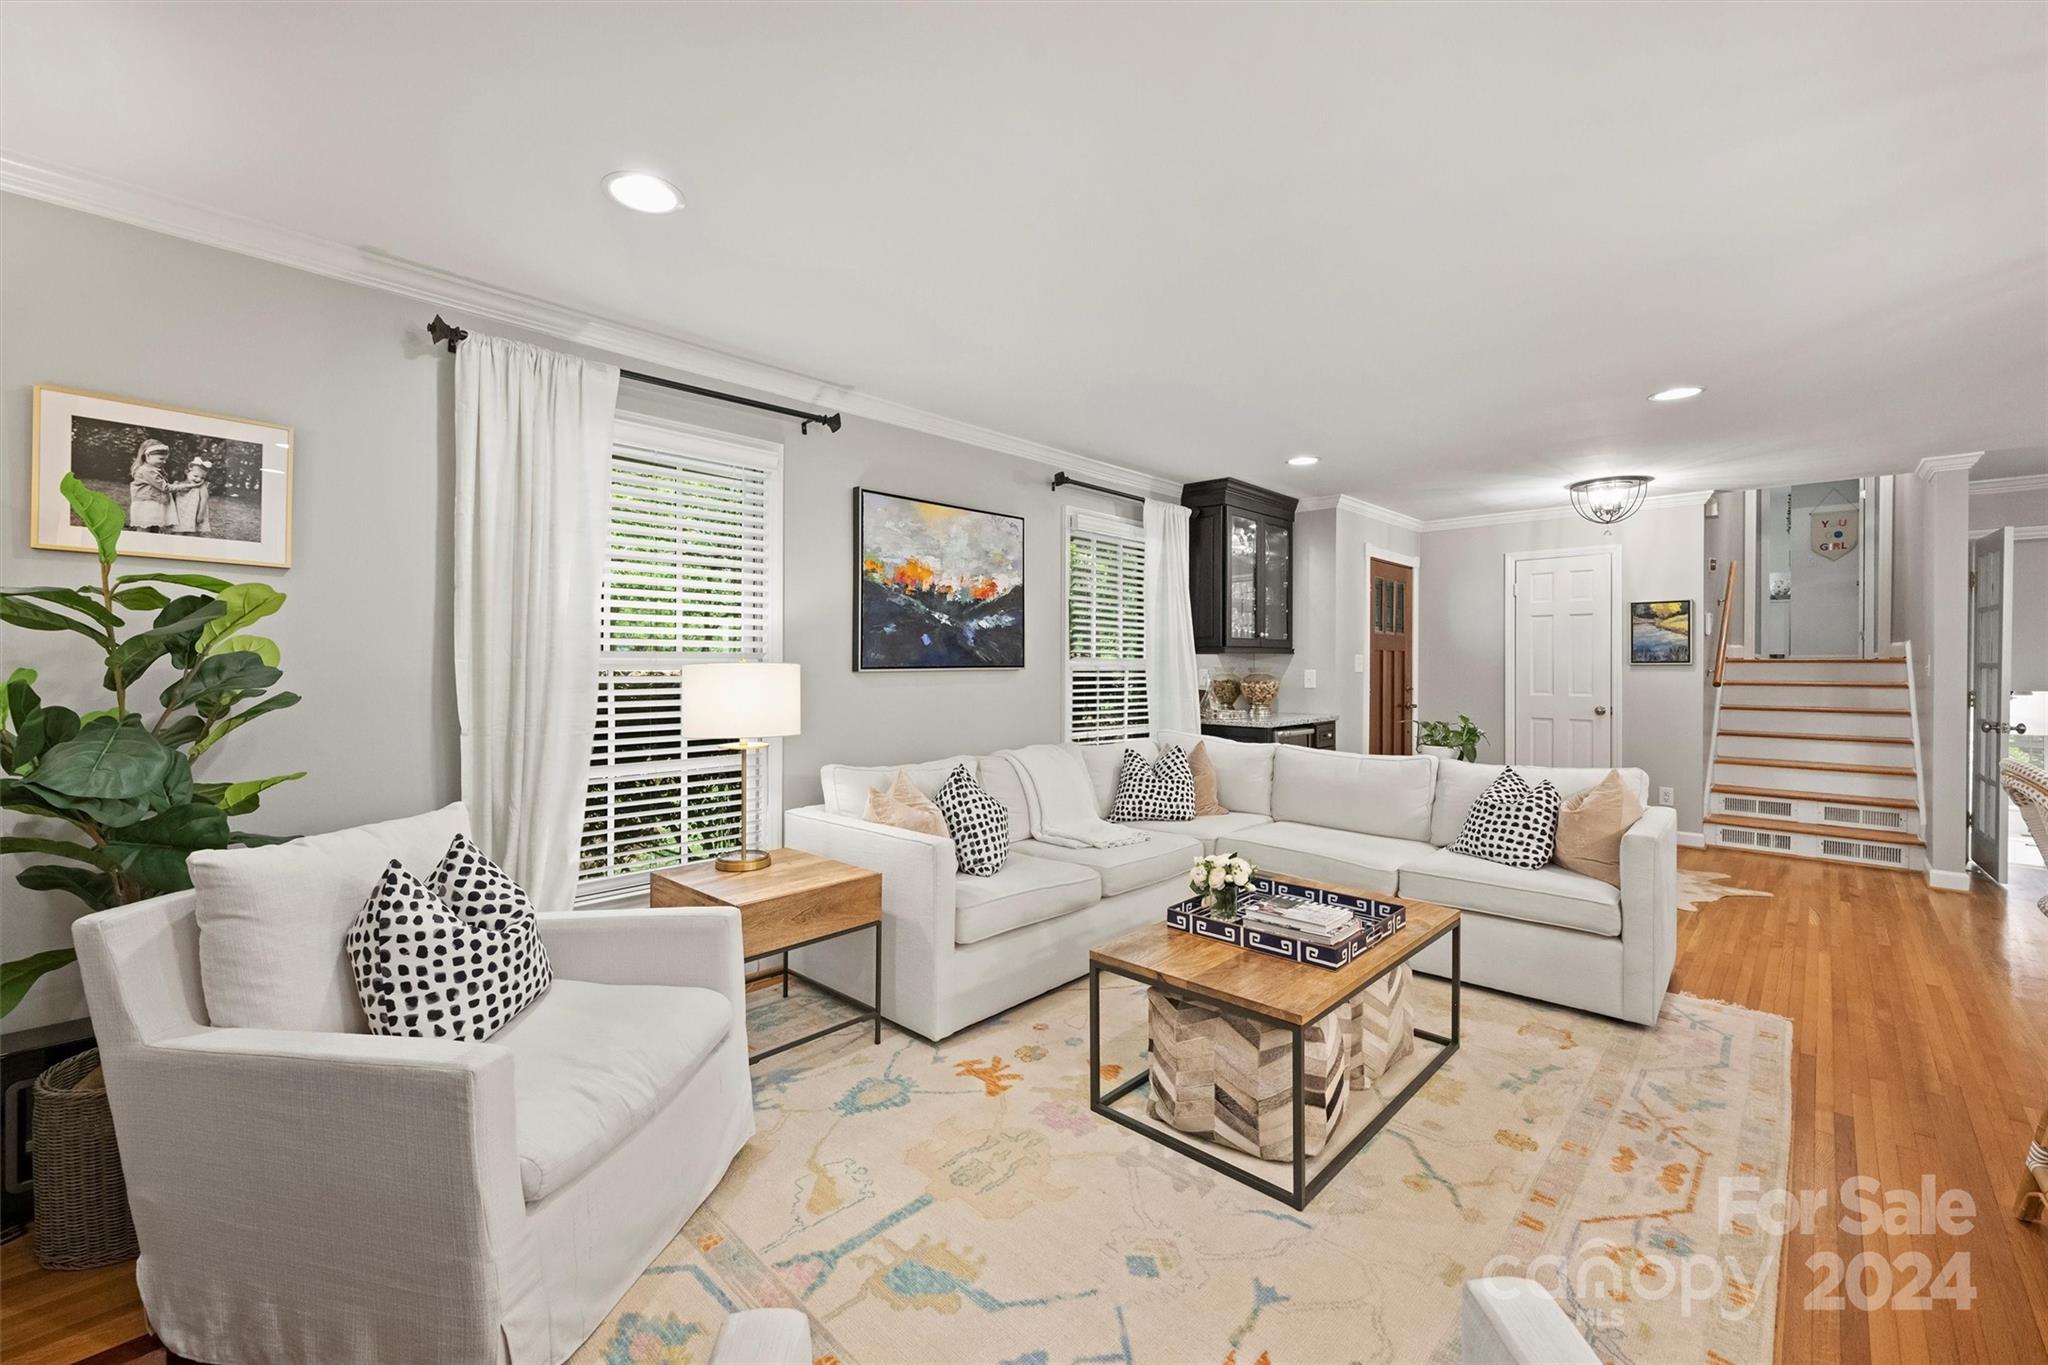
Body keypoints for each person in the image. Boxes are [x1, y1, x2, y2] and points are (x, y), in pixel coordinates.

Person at [127, 440, 173, 532]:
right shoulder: (147, 471)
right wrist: (185, 486)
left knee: (154, 528)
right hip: (146, 505)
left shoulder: (154, 470)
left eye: (165, 459)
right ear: (147, 456)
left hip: (153, 504)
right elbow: (164, 487)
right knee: (144, 530)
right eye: (161, 458)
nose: (164, 462)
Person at [170, 455, 213, 535]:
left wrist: (200, 514)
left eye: (202, 478)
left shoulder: (201, 486)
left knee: (192, 532)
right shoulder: (179, 484)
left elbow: (204, 499)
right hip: (180, 513)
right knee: (178, 531)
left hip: (194, 514)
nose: (199, 479)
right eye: (195, 476)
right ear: (187, 472)